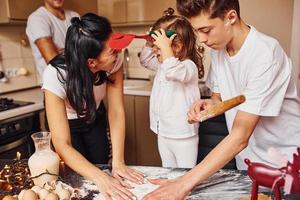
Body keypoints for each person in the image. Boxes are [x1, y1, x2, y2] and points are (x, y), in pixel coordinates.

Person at [143, 0, 300, 199]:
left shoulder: (265, 54)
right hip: (249, 165)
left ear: (230, 17)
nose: (201, 39)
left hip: (286, 167)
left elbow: (240, 136)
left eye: (206, 30)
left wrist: (182, 184)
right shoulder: (219, 50)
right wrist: (208, 105)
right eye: (197, 31)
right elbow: (219, 99)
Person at [42, 13, 144, 200]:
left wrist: (118, 162)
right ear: (92, 63)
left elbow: (116, 111)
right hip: (68, 124)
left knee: (101, 163)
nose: (118, 53)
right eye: (112, 51)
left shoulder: (114, 62)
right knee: (76, 179)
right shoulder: (56, 74)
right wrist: (101, 178)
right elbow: (61, 144)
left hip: (94, 117)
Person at [139, 8, 204, 168]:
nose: (154, 51)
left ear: (178, 46)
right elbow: (145, 60)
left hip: (183, 135)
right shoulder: (163, 65)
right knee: (168, 171)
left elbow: (173, 71)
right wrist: (150, 42)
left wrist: (165, 48)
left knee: (184, 174)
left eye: (158, 47)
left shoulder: (188, 67)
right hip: (163, 132)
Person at [26, 0, 79, 83]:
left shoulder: (75, 16)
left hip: (79, 82)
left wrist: (63, 52)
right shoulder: (37, 18)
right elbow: (54, 61)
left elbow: (87, 49)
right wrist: (76, 51)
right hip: (55, 85)